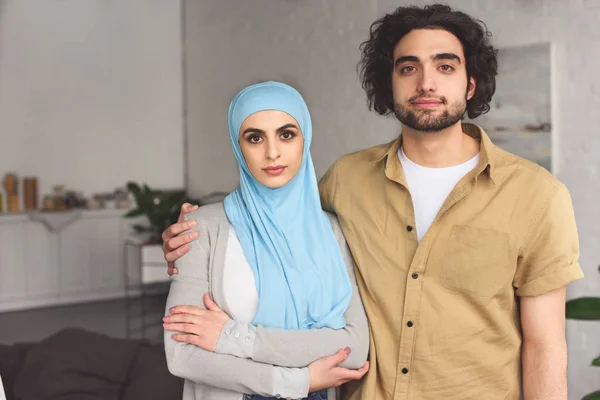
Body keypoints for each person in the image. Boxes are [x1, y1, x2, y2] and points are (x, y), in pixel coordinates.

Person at [163, 5, 584, 400]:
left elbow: (545, 345)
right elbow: (280, 222)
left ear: (470, 83)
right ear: (389, 83)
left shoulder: (537, 195)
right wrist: (193, 239)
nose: (426, 83)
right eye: (408, 68)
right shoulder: (346, 181)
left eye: (445, 66)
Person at [163, 81, 369, 400]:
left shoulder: (331, 230)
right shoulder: (199, 227)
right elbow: (183, 355)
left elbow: (353, 349)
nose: (272, 152)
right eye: (255, 137)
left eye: (286, 134)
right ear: (237, 145)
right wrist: (295, 382)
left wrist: (232, 338)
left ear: (305, 139)